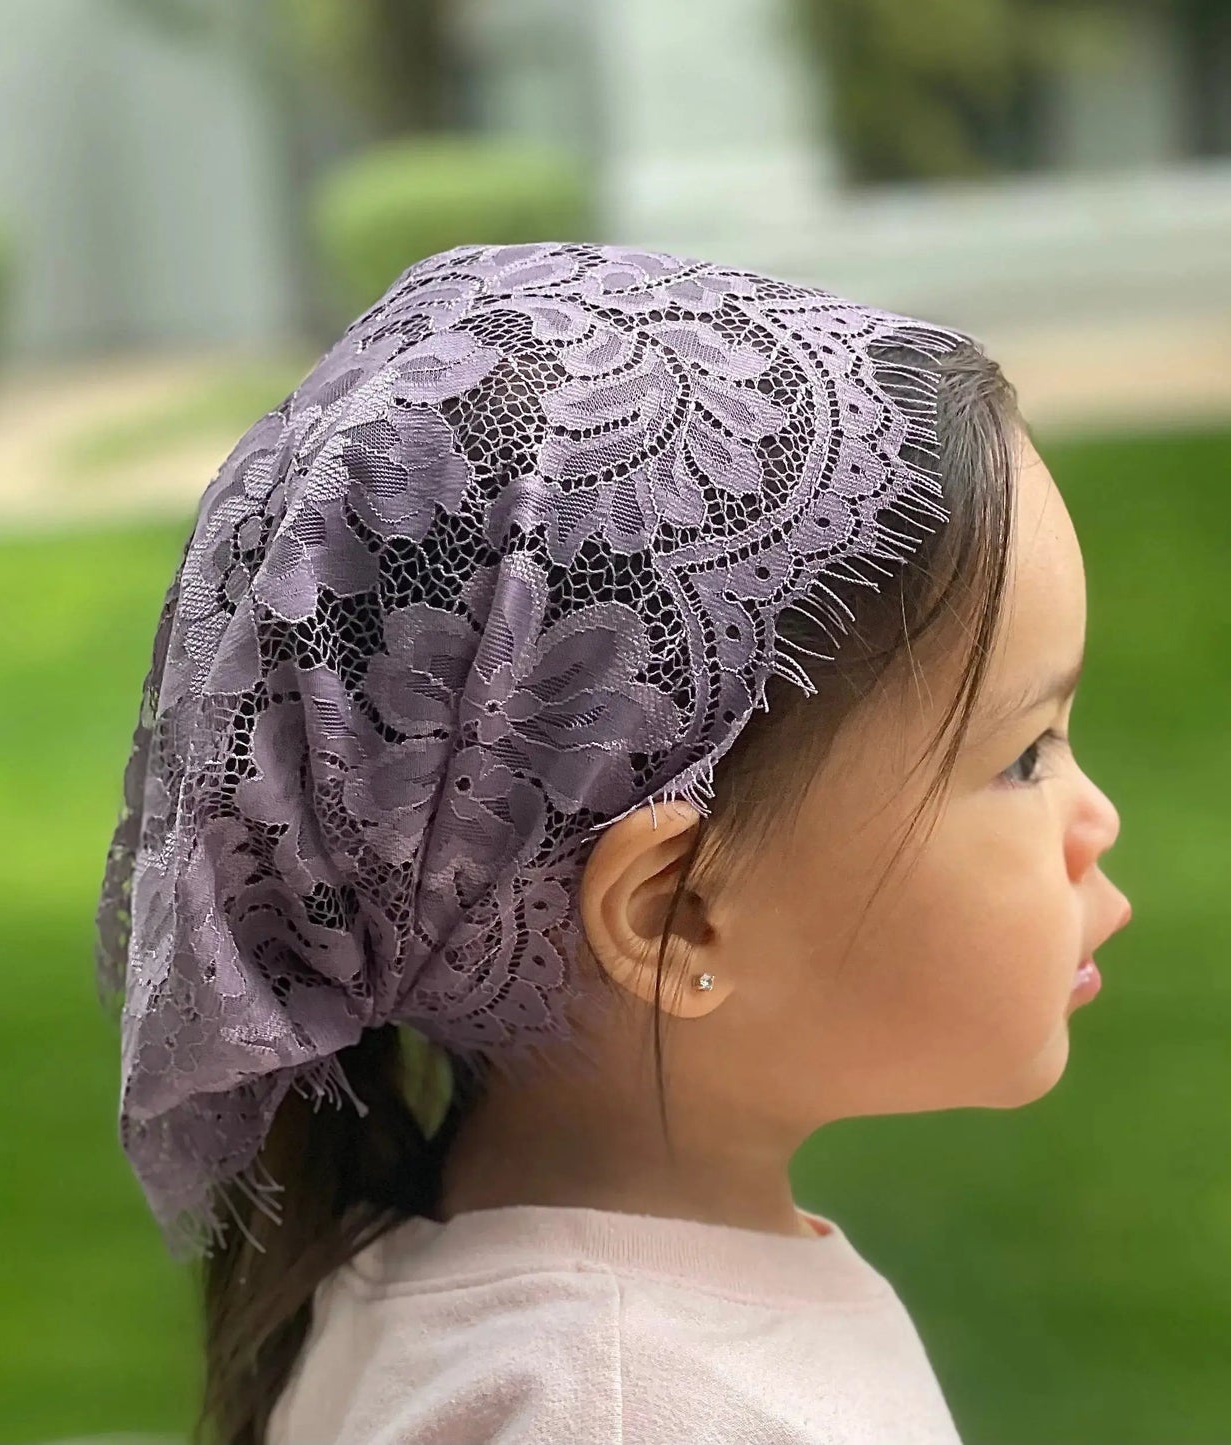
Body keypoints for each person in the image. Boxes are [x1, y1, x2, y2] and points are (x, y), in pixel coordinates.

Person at [94, 242, 1132, 1445]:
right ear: (674, 912)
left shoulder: (540, 1319)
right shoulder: (617, 1403)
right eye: (1019, 754)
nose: (1090, 817)